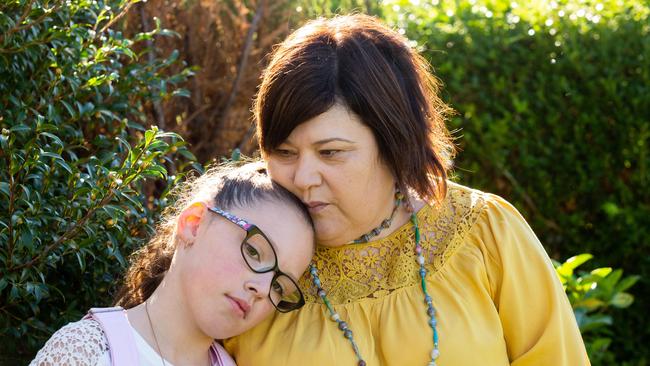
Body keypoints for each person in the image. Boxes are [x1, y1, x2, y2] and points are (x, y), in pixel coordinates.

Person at [224, 14, 590, 366]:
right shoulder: (240, 259)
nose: (303, 177)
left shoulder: (485, 234)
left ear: (393, 143)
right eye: (284, 153)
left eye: (330, 152)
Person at [30, 162, 315, 365]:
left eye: (279, 286)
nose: (264, 289)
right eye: (254, 252)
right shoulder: (87, 351)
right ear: (194, 223)